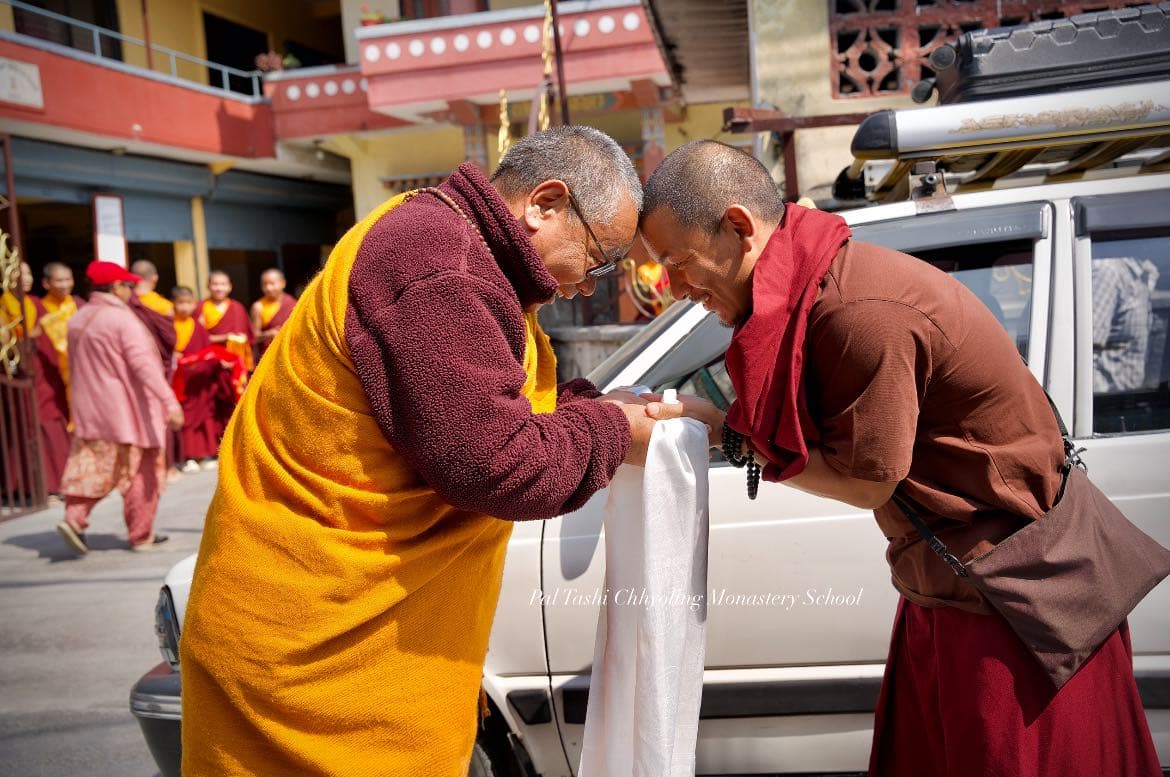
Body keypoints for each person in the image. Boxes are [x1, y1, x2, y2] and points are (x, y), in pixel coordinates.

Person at [179, 126, 722, 776]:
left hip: (357, 648)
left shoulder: (450, 245)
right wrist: (615, 429)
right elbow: (497, 461)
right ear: (545, 203)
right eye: (601, 259)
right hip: (315, 655)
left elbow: (488, 406)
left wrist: (597, 407)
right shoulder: (436, 263)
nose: (589, 286)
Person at [638, 140, 1161, 777]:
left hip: (1013, 614)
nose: (677, 287)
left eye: (681, 262)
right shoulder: (822, 284)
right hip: (954, 592)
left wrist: (722, 433)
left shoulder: (857, 314)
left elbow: (866, 486)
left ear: (740, 228)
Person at [55, 261, 183, 555]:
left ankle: (74, 520)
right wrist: (169, 402)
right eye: (127, 285)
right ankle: (141, 535)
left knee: (92, 470)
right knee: (142, 473)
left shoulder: (78, 318)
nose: (130, 291)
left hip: (91, 412)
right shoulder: (121, 321)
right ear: (115, 287)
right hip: (129, 413)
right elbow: (145, 367)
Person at [32, 262, 83, 496]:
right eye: (58, 280)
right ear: (46, 283)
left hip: (80, 379)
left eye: (68, 279)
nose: (64, 285)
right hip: (54, 379)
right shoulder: (41, 310)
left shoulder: (78, 306)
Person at [172, 286, 235, 471]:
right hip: (183, 380)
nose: (185, 307)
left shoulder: (197, 326)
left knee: (206, 414)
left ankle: (206, 454)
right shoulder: (171, 325)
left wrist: (220, 362)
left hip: (201, 379)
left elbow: (208, 350)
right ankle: (187, 456)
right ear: (174, 304)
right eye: (180, 303)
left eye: (188, 303)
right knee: (186, 416)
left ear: (194, 304)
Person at [199, 270, 253, 373]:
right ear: (208, 286)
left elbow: (248, 338)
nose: (219, 288)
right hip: (211, 359)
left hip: (235, 360)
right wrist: (225, 337)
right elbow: (199, 339)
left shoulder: (237, 307)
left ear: (230, 287)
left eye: (223, 284)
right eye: (215, 284)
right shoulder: (201, 307)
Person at [249, 267, 296, 360]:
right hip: (269, 356)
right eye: (264, 284)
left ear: (283, 283)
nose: (268, 288)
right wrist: (268, 334)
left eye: (272, 283)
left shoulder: (293, 303)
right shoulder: (258, 306)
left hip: (292, 352)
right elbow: (253, 336)